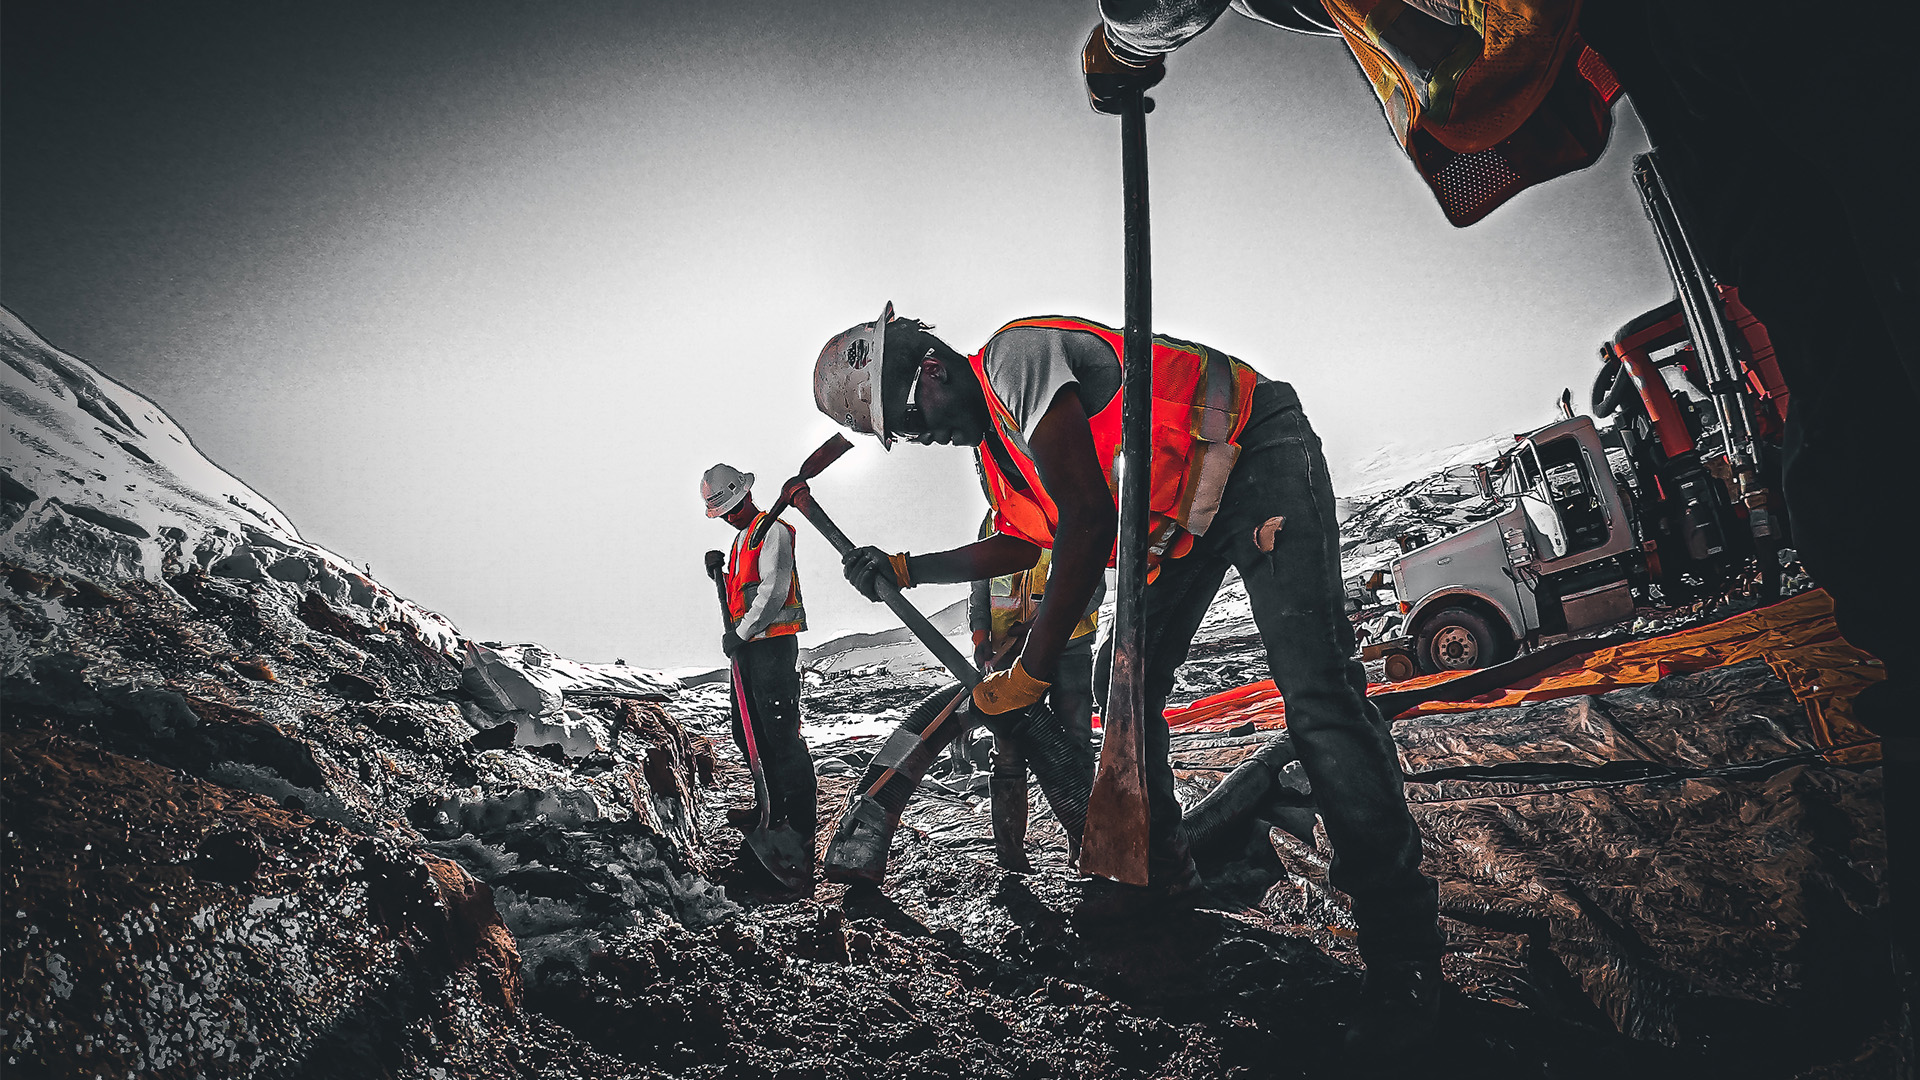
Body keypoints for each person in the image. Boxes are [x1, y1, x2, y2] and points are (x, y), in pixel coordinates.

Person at [1081, 0, 1916, 1055]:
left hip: (1776, 50)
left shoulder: (1027, 377)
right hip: (1704, 65)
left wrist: (1126, 40)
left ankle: (1399, 954)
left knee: (1865, 441)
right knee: (1862, 463)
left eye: (904, 421)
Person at [813, 304, 1441, 1043]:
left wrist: (1032, 673)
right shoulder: (996, 460)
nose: (922, 439)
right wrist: (908, 569)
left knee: (1317, 690)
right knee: (1130, 691)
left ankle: (1404, 953)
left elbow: (1085, 520)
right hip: (1176, 526)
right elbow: (1023, 543)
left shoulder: (1016, 360)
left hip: (1252, 449)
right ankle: (1160, 883)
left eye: (913, 423)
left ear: (931, 371)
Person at [968, 506, 1103, 872]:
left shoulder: (1067, 504)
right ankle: (1011, 856)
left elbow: (1093, 582)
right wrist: (981, 637)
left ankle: (1085, 848)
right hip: (1007, 653)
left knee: (1074, 742)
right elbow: (980, 585)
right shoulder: (994, 520)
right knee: (1007, 749)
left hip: (1068, 645)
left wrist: (1042, 622)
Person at [702, 463, 817, 882]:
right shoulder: (739, 543)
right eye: (725, 511)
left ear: (747, 496)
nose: (731, 515)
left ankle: (801, 826)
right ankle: (768, 806)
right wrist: (720, 570)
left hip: (771, 647)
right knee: (746, 730)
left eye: (733, 507)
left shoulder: (775, 532)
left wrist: (742, 633)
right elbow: (743, 590)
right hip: (748, 651)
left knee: (781, 734)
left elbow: (773, 592)